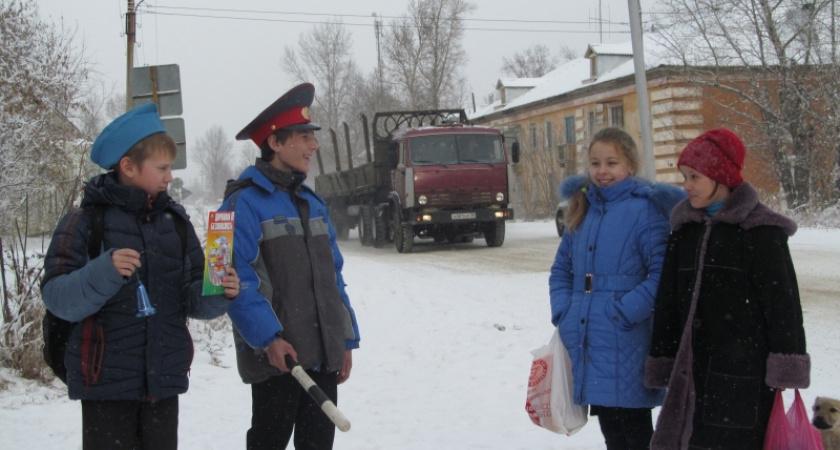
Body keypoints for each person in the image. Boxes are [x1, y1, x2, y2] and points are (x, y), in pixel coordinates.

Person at [40, 103, 240, 450]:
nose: (170, 177)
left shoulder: (175, 222)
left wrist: (219, 292)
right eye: (162, 168)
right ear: (128, 167)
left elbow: (191, 299)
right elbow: (58, 299)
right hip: (105, 386)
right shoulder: (84, 223)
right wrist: (103, 271)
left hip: (162, 384)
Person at [644, 128, 810, 450]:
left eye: (694, 176)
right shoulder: (684, 230)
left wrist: (786, 363)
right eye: (684, 176)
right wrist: (663, 355)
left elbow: (783, 303)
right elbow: (667, 301)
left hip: (744, 374)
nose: (686, 185)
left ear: (721, 177)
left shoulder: (759, 232)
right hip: (690, 374)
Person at [218, 83, 360, 450]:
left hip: (323, 356)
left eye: (311, 137)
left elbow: (333, 278)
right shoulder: (241, 204)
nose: (313, 145)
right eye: (303, 137)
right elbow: (235, 281)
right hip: (279, 361)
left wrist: (344, 338)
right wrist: (269, 340)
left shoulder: (312, 203)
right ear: (275, 143)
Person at [549, 127, 684, 449]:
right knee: (611, 428)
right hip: (586, 336)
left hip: (628, 336)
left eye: (612, 163)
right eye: (595, 164)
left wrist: (623, 312)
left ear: (630, 166)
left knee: (635, 430)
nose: (603, 171)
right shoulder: (583, 208)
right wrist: (564, 312)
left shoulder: (646, 210)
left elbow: (663, 273)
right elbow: (561, 270)